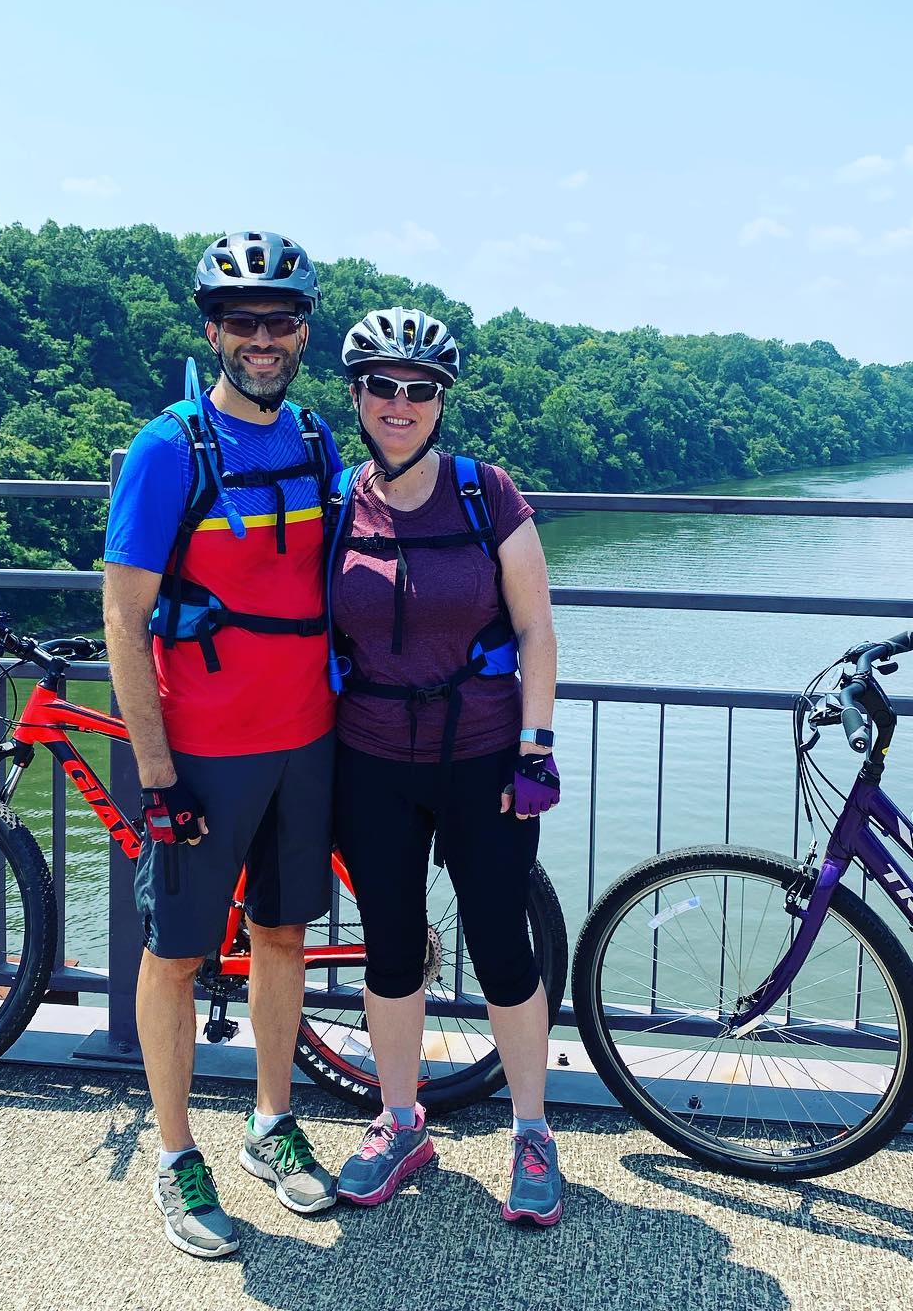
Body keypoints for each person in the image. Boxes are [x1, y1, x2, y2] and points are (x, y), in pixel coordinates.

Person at [102, 231, 342, 1260]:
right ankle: (173, 1154)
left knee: (283, 938)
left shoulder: (320, 440)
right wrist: (156, 771)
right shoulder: (168, 450)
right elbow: (122, 618)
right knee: (176, 954)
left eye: (278, 322)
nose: (260, 339)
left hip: (308, 741)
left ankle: (271, 1123)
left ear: (300, 334)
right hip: (202, 750)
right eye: (241, 322)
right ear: (212, 331)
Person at [325, 307, 564, 1225]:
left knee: (504, 947)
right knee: (390, 951)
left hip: (484, 759)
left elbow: (538, 625)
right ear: (357, 396)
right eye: (382, 386)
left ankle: (533, 1130)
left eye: (418, 390)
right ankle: (399, 1121)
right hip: (372, 758)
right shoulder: (340, 501)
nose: (400, 403)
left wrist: (535, 746)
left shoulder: (485, 494)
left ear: (440, 404)